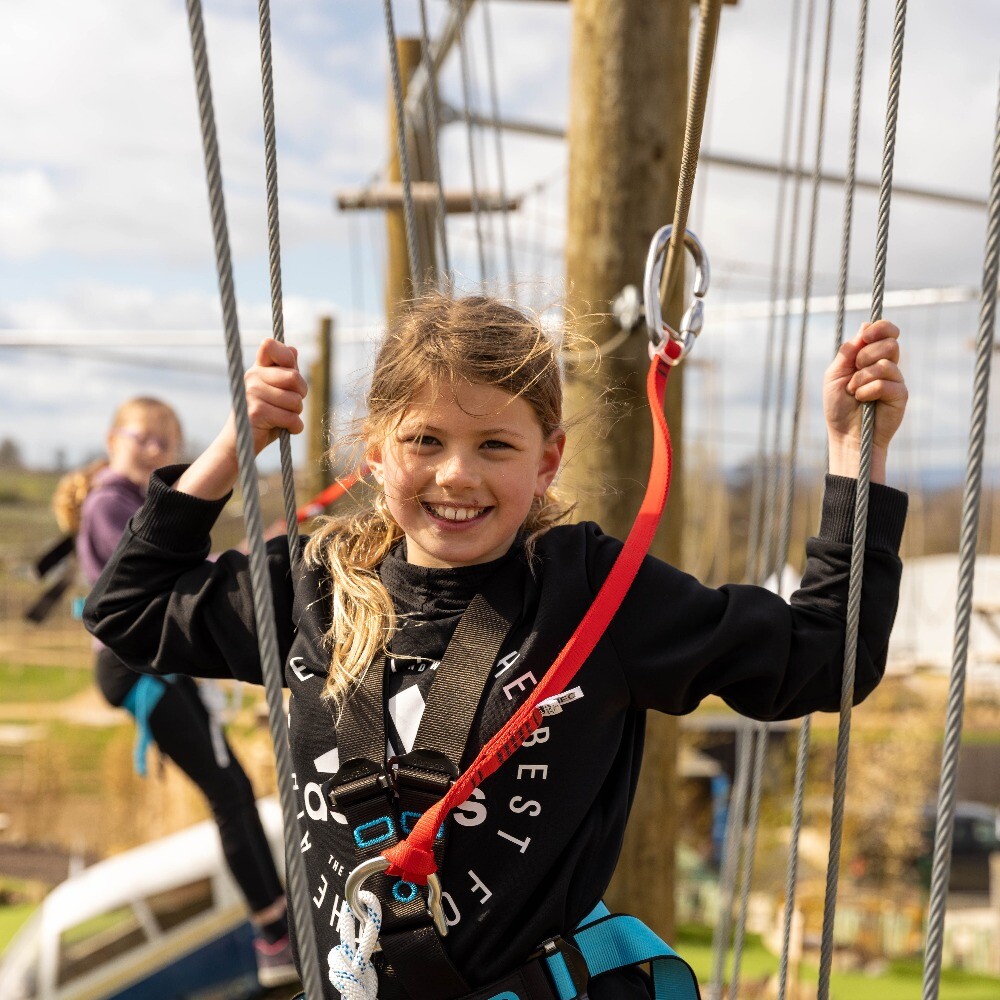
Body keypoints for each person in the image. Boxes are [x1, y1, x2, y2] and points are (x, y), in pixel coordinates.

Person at [83, 296, 909, 1000]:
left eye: (496, 447)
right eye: (424, 442)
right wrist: (231, 450)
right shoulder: (314, 585)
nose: (456, 476)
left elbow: (823, 659)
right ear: (376, 450)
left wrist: (855, 457)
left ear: (548, 460)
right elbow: (129, 609)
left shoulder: (590, 596)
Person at [54, 396, 297, 989]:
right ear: (113, 441)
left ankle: (274, 925)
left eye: (167, 440)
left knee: (231, 788)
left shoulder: (127, 500)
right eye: (144, 437)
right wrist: (239, 564)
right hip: (137, 669)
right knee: (228, 791)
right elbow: (151, 578)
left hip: (145, 668)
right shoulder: (112, 499)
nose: (157, 449)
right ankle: (274, 932)